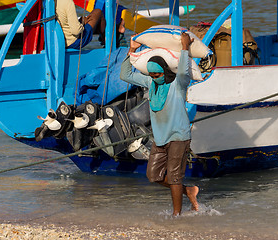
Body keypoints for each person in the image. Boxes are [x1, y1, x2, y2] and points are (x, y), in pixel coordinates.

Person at [120, 32, 199, 216]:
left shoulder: (178, 84)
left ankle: (176, 216)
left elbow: (183, 71)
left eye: (158, 74)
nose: (155, 77)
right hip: (160, 138)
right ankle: (188, 191)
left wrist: (185, 47)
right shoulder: (150, 82)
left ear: (165, 70)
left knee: (174, 177)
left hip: (178, 137)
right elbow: (125, 75)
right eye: (152, 74)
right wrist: (132, 49)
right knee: (153, 175)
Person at [56, 0, 125, 49]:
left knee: (94, 20)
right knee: (98, 12)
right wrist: (82, 24)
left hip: (58, 41)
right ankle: (107, 41)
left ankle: (108, 36)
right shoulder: (67, 2)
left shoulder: (49, 3)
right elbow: (76, 31)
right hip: (74, 42)